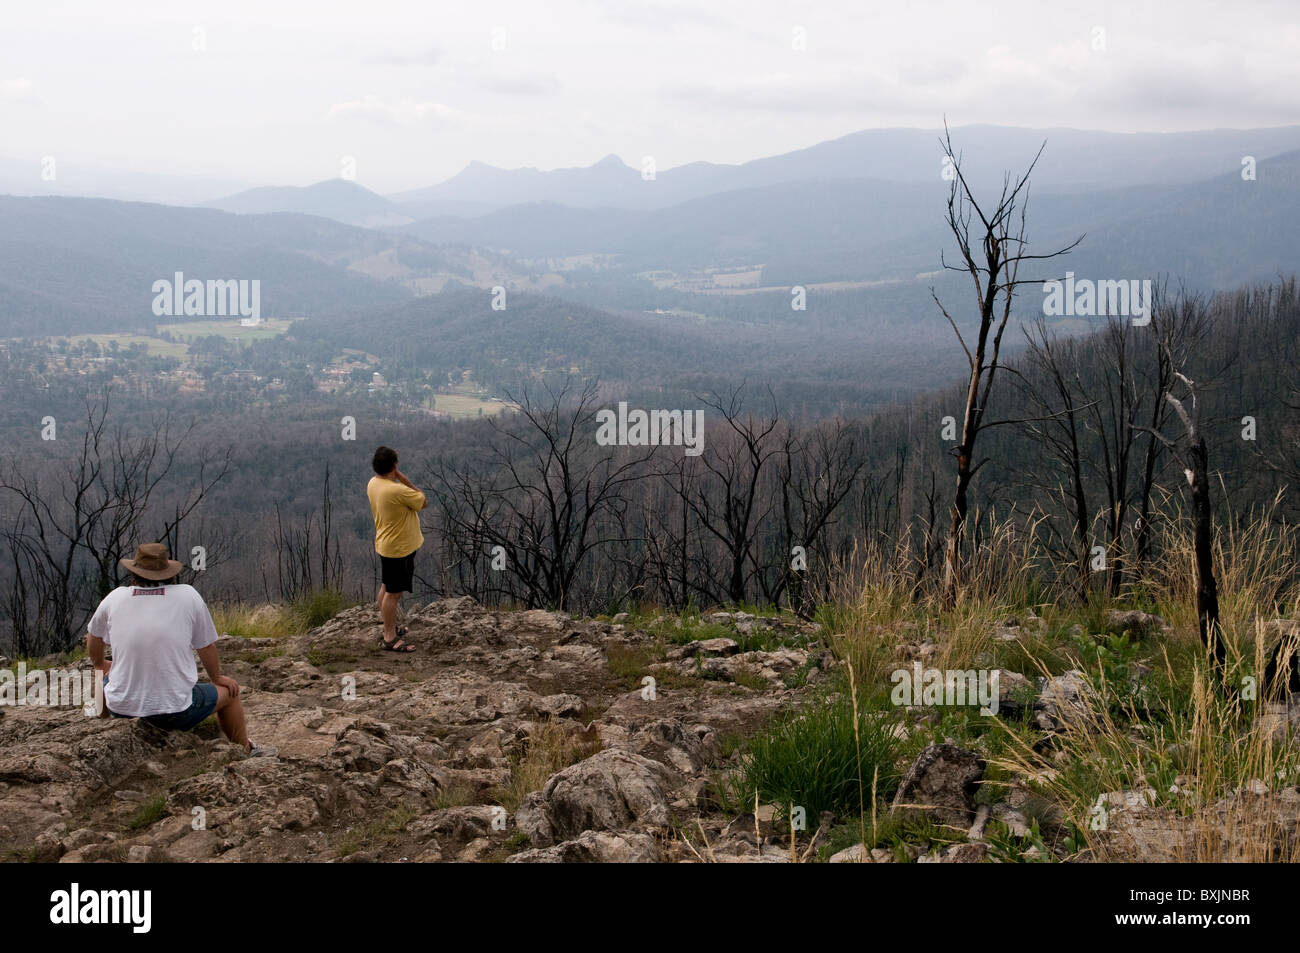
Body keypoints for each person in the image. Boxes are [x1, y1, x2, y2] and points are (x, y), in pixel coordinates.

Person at [86, 542, 254, 751]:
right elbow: (206, 646)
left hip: (123, 710)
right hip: (176, 712)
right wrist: (217, 678)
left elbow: (93, 637)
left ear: (134, 572)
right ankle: (245, 749)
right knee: (231, 694)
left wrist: (100, 663)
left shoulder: (115, 597)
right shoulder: (188, 595)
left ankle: (108, 728)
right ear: (168, 572)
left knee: (101, 676)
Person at [367, 446, 426, 652]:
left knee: (386, 587)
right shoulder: (397, 490)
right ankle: (389, 637)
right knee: (393, 593)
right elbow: (422, 500)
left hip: (386, 544)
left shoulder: (373, 483)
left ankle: (388, 627)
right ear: (394, 465)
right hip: (399, 549)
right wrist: (403, 478)